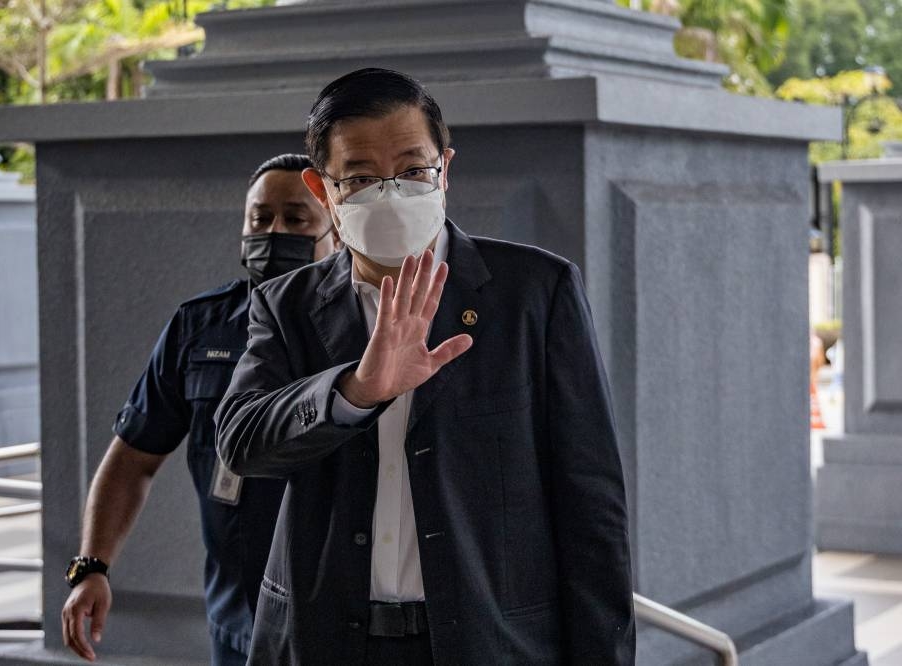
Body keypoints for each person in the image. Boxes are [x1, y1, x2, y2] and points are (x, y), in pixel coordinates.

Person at [214, 69, 635, 665]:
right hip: (326, 641)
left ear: (446, 171)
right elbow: (241, 442)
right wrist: (356, 391)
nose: (391, 192)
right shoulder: (288, 305)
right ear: (322, 189)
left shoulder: (534, 293)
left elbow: (592, 504)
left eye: (414, 171)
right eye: (360, 177)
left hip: (489, 643)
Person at [60, 154, 338, 665]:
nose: (274, 231)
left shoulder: (368, 326)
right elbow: (132, 458)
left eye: (296, 219)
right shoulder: (199, 327)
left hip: (346, 619)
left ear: (336, 229)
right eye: (260, 218)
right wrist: (91, 567)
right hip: (238, 619)